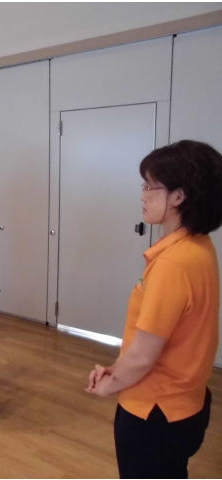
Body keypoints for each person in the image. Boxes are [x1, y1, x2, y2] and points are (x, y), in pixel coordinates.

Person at [86, 140, 222, 479]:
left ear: (178, 196)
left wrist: (109, 385)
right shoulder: (199, 247)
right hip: (187, 404)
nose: (142, 195)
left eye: (150, 187)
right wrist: (116, 369)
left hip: (154, 412)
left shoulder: (173, 264)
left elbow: (144, 355)